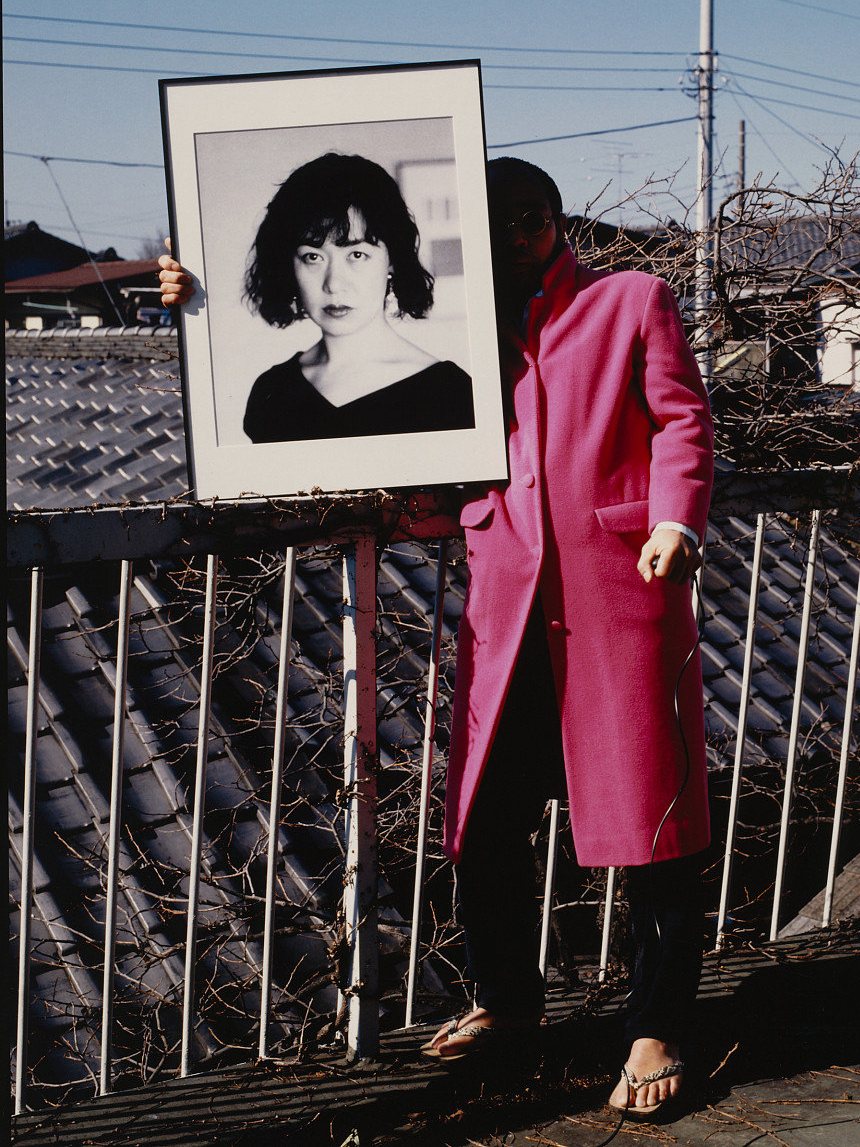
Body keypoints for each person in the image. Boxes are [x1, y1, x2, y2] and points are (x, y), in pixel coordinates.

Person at [158, 156, 712, 1119]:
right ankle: (510, 996)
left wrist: (676, 516)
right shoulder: (452, 335)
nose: (520, 236)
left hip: (621, 597)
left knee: (654, 823)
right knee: (486, 818)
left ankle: (655, 1023)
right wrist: (196, 296)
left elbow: (682, 421)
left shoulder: (632, 299)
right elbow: (428, 467)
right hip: (507, 605)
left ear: (561, 219)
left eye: (535, 218)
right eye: (500, 223)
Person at [163, 151, 474, 443]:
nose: (333, 284)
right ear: (289, 266)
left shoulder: (450, 392)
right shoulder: (271, 392)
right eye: (312, 257)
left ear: (391, 260)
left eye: (357, 254)